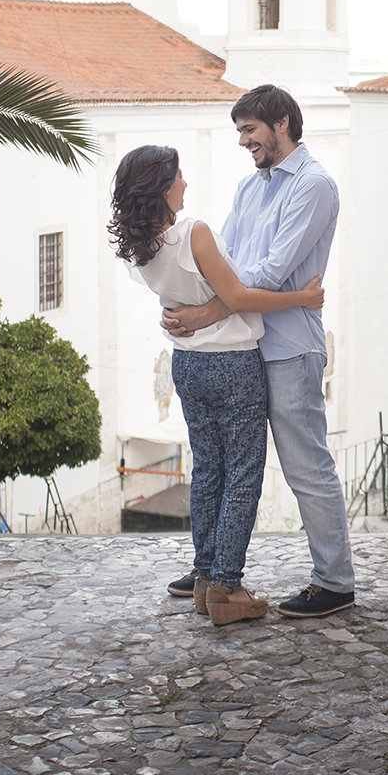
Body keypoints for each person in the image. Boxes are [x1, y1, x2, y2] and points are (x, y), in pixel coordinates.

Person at [107, 143, 325, 626]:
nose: (185, 183)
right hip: (231, 364)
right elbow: (240, 297)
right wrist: (302, 297)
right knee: (243, 476)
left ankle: (206, 577)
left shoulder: (141, 248)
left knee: (207, 473)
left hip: (188, 366)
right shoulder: (194, 234)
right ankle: (227, 586)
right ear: (163, 188)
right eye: (178, 176)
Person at [162, 83, 355, 618]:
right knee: (219, 466)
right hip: (240, 348)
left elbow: (271, 272)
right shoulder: (251, 188)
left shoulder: (314, 186)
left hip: (290, 348)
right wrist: (217, 301)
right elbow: (221, 262)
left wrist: (204, 313)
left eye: (250, 130)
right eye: (240, 131)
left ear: (282, 124)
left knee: (305, 467)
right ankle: (212, 569)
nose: (243, 141)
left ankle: (334, 581)